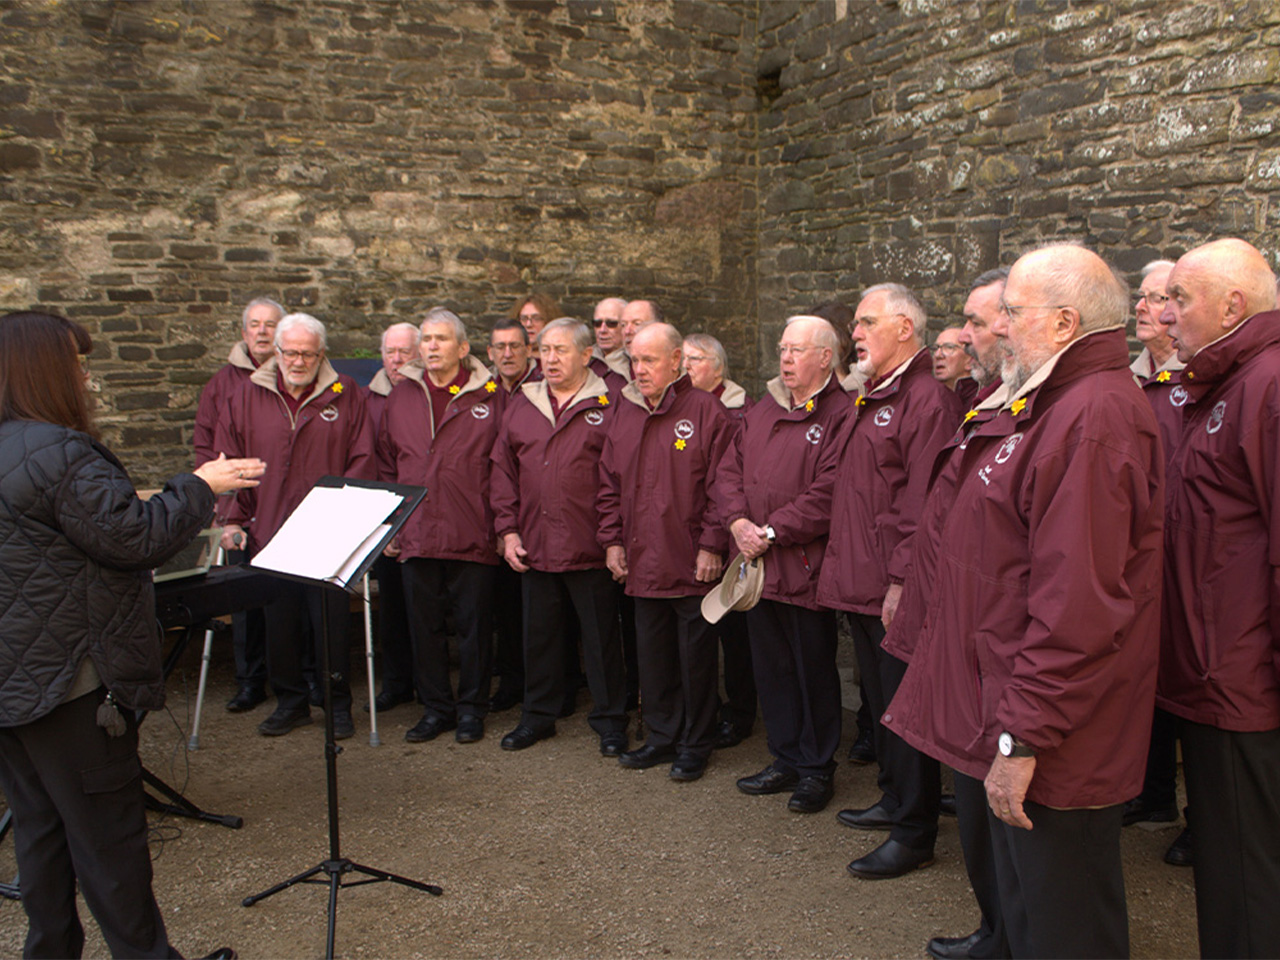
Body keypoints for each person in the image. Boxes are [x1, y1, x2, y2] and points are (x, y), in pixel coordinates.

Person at [886, 244, 1164, 957]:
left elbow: (1080, 605)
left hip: (1056, 728)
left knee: (1066, 915)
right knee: (1027, 902)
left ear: (1065, 322)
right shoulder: (1050, 401)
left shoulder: (1093, 418)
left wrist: (1025, 737)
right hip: (1011, 695)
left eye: (1012, 311)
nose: (997, 327)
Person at [0, 310, 260, 959]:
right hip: (71, 682)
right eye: (76, 361)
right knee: (109, 839)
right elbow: (133, 537)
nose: (85, 374)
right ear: (44, 370)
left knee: (41, 829)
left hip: (16, 677)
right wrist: (199, 486)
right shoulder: (58, 453)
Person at [882, 268, 1011, 960]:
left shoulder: (1049, 409)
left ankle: (1008, 931)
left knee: (1006, 797)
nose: (959, 335)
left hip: (995, 636)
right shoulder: (990, 401)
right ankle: (997, 929)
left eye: (978, 321)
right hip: (957, 618)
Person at [1157, 238, 1280, 958]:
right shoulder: (1224, 384)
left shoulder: (1264, 385)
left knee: (1245, 876)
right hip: (1214, 670)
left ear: (1233, 305)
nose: (1166, 314)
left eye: (1180, 298)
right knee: (1230, 869)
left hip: (1241, 679)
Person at [818, 283, 963, 879]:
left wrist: (901, 581)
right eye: (854, 322)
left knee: (902, 709)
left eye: (866, 322)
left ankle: (914, 829)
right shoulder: (874, 395)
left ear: (905, 328)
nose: (854, 332)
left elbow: (922, 503)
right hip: (861, 579)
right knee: (879, 704)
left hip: (891, 585)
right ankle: (893, 798)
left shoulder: (925, 400)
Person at [215, 312, 375, 740]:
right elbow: (230, 459)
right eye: (290, 352)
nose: (297, 361)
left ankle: (337, 704)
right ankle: (291, 703)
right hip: (270, 529)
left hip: (328, 533)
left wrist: (352, 518)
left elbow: (362, 458)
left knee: (330, 626)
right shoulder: (248, 396)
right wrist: (231, 517)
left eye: (307, 353)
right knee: (279, 625)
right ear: (278, 352)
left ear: (321, 354)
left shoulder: (347, 395)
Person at [723, 315, 855, 813]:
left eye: (796, 350)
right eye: (782, 348)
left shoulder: (842, 413)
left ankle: (817, 768)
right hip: (757, 565)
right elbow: (728, 469)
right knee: (772, 667)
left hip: (802, 564)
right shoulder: (762, 408)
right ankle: (784, 757)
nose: (785, 358)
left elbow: (830, 490)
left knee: (811, 669)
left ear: (826, 357)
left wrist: (772, 531)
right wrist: (736, 522)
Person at [598, 321, 731, 782]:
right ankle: (660, 736)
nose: (639, 369)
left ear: (677, 360)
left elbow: (722, 485)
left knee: (695, 659)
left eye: (649, 360)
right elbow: (608, 482)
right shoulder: (625, 410)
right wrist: (612, 539)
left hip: (690, 557)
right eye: (634, 360)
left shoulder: (708, 411)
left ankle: (696, 743)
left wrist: (713, 543)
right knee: (653, 656)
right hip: (641, 559)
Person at [491, 318, 629, 755]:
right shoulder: (523, 403)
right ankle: (538, 716)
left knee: (601, 638)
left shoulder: (611, 403)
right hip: (536, 541)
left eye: (560, 350)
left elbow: (620, 476)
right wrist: (508, 530)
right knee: (541, 637)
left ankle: (610, 720)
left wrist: (614, 539)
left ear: (587, 355)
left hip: (590, 543)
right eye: (544, 350)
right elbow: (502, 471)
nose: (549, 359)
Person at [377, 308, 503, 745]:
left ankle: (472, 710)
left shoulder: (491, 396)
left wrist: (501, 526)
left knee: (473, 630)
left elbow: (503, 467)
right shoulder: (402, 395)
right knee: (424, 629)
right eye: (426, 338)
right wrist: (390, 525)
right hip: (416, 531)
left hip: (473, 529)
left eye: (441, 339)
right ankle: (436, 710)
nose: (431, 346)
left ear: (463, 348)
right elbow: (387, 463)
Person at [1123, 260, 1187, 855]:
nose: (1141, 307)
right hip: (1146, 550)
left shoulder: (1198, 380)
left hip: (1192, 555)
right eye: (1139, 297)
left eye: (1156, 297)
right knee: (1148, 669)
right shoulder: (1130, 378)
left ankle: (1205, 819)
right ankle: (1152, 791)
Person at [192, 296, 283, 714]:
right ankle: (250, 680)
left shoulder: (293, 379)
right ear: (244, 332)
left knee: (285, 600)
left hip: (280, 507)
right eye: (255, 325)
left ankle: (293, 681)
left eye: (270, 325)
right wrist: (222, 511)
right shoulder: (222, 385)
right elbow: (207, 449)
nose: (262, 332)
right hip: (241, 510)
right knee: (245, 599)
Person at [682, 333, 756, 749]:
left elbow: (726, 482)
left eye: (695, 360)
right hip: (687, 538)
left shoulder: (738, 413)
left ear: (719, 367)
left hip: (728, 538)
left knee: (734, 632)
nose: (686, 367)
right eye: (683, 359)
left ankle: (741, 710)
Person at [364, 321, 421, 714]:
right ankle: (397, 682)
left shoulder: (423, 395)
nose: (396, 360)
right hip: (383, 517)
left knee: (425, 608)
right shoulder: (366, 398)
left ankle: (429, 684)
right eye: (390, 352)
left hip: (423, 516)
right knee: (393, 609)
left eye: (405, 352)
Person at [486, 317, 542, 712]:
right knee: (505, 608)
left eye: (514, 346)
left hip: (537, 517)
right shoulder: (482, 393)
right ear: (489, 353)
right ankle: (512, 682)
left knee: (540, 615)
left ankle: (555, 686)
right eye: (499, 347)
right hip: (495, 516)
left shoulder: (540, 390)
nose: (507, 354)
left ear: (528, 350)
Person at [591, 297, 631, 387]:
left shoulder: (636, 366)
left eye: (611, 324)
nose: (602, 330)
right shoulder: (584, 363)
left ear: (626, 326)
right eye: (597, 324)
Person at [932, 325, 977, 403]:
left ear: (970, 360)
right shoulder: (926, 399)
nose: (937, 355)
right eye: (935, 348)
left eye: (949, 347)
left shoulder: (979, 401)